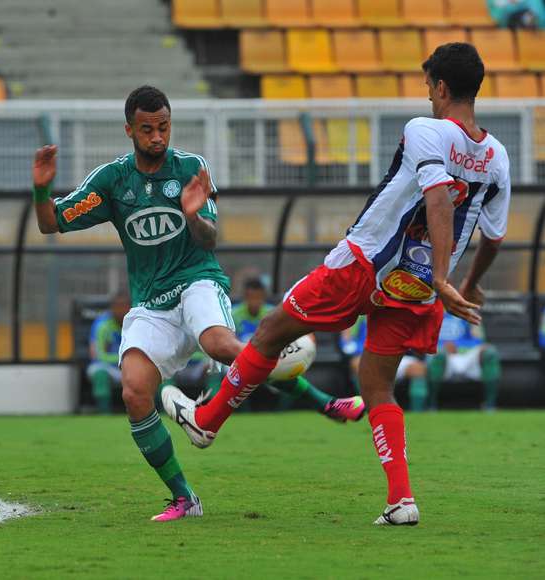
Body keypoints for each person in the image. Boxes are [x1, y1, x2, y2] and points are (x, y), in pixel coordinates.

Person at [163, 43, 510, 526]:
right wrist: (462, 284)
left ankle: (206, 422)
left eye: (429, 86)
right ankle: (401, 501)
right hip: (417, 287)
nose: (428, 95)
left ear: (443, 87)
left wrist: (450, 278)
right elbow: (493, 237)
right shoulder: (497, 157)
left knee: (269, 332)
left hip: (363, 265)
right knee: (377, 386)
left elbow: (438, 200)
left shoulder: (425, 130)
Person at [33, 86, 355, 522]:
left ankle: (323, 401)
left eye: (163, 127)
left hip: (196, 281)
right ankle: (185, 498)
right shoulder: (112, 181)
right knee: (133, 391)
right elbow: (50, 223)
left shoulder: (190, 169)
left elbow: (211, 239)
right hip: (150, 303)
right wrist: (41, 189)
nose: (157, 137)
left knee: (222, 344)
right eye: (147, 129)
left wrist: (191, 214)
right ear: (129, 129)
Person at [234, 277, 365, 419]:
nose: (255, 302)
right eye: (251, 298)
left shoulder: (271, 313)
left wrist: (308, 335)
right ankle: (325, 403)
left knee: (273, 366)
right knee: (229, 356)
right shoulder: (234, 314)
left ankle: (291, 411)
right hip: (234, 360)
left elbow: (293, 328)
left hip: (265, 358)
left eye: (258, 297)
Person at [341, 316, 429, 411]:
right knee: (357, 364)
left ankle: (419, 411)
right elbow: (347, 344)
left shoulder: (397, 311)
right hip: (367, 356)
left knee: (418, 369)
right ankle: (365, 408)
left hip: (395, 356)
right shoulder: (359, 317)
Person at [427, 311, 500, 411]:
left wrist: (458, 346)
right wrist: (442, 345)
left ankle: (490, 405)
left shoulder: (469, 312)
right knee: (438, 355)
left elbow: (479, 339)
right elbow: (425, 338)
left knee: (490, 352)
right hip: (440, 353)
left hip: (467, 353)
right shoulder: (431, 310)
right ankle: (431, 405)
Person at [86, 292, 131, 413]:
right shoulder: (102, 324)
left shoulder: (137, 322)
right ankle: (104, 413)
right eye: (118, 306)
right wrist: (123, 360)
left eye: (124, 306)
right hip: (109, 368)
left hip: (132, 368)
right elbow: (97, 354)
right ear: (112, 308)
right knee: (98, 370)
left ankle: (155, 413)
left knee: (152, 371)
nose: (121, 310)